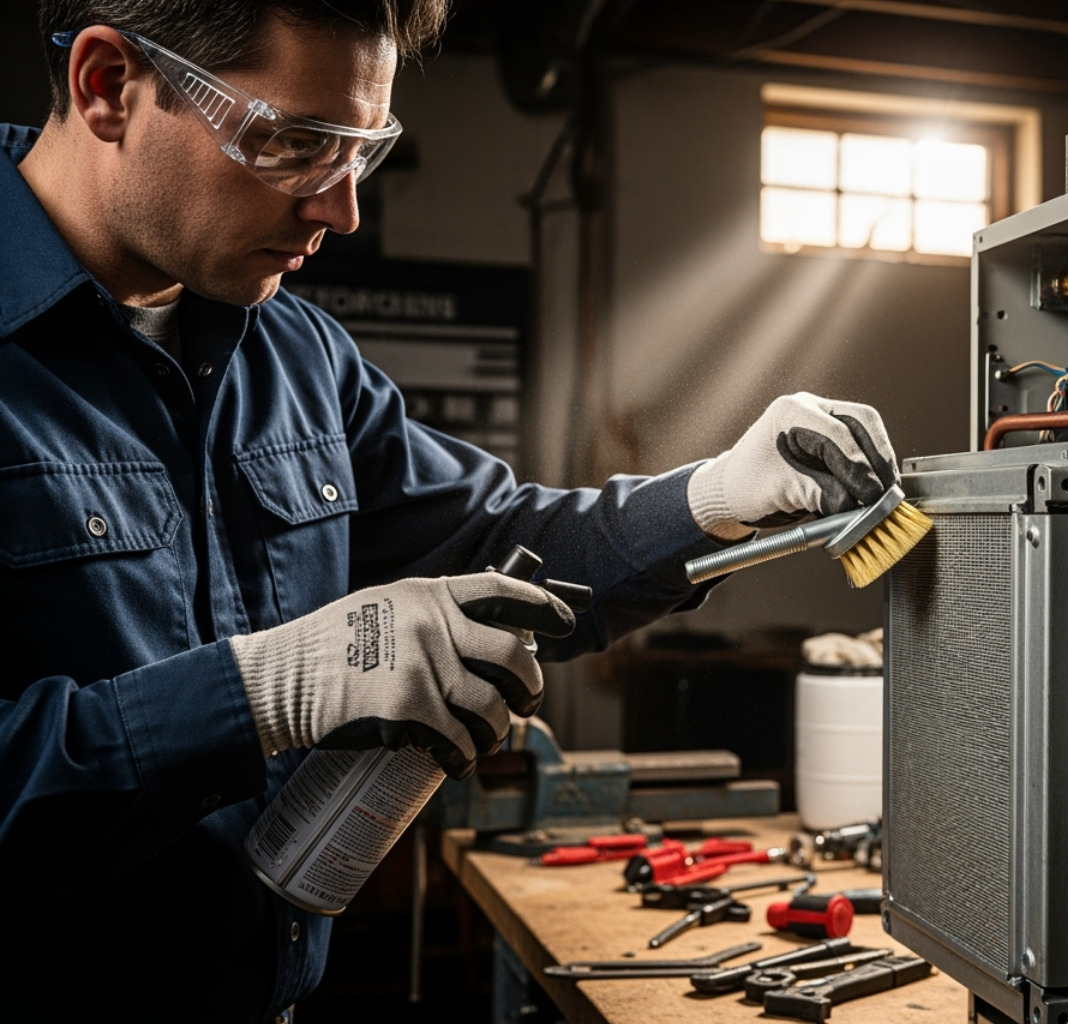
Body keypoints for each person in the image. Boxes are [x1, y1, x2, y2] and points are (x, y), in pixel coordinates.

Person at [0, 1, 902, 1020]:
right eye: (294, 143)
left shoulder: (294, 358)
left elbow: (504, 543)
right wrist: (258, 692)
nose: (339, 209)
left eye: (361, 151)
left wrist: (721, 496)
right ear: (109, 85)